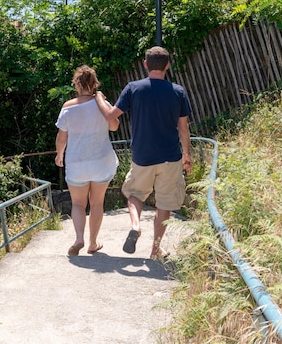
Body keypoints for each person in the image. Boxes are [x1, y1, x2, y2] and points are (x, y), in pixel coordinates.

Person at [95, 46, 192, 259]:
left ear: (146, 64)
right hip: (170, 157)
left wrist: (99, 98)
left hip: (142, 156)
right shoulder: (178, 92)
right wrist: (187, 155)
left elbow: (111, 115)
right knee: (165, 204)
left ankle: (136, 226)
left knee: (134, 194)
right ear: (167, 65)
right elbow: (183, 128)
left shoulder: (133, 88)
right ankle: (155, 249)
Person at [55, 65, 120, 256]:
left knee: (77, 204)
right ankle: (92, 243)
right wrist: (102, 102)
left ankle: (79, 239)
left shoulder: (68, 108)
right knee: (97, 203)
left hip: (77, 163)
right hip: (101, 161)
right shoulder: (102, 105)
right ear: (94, 85)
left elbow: (61, 137)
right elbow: (114, 126)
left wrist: (60, 154)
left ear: (76, 84)